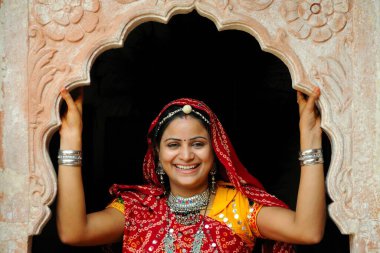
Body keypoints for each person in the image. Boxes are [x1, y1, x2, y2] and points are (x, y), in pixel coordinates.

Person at [57, 87, 325, 253]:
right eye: (173, 144)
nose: (186, 155)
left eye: (198, 144)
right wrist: (71, 137)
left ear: (215, 150)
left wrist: (310, 137)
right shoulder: (138, 210)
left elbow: (307, 231)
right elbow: (74, 232)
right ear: (158, 156)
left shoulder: (237, 207)